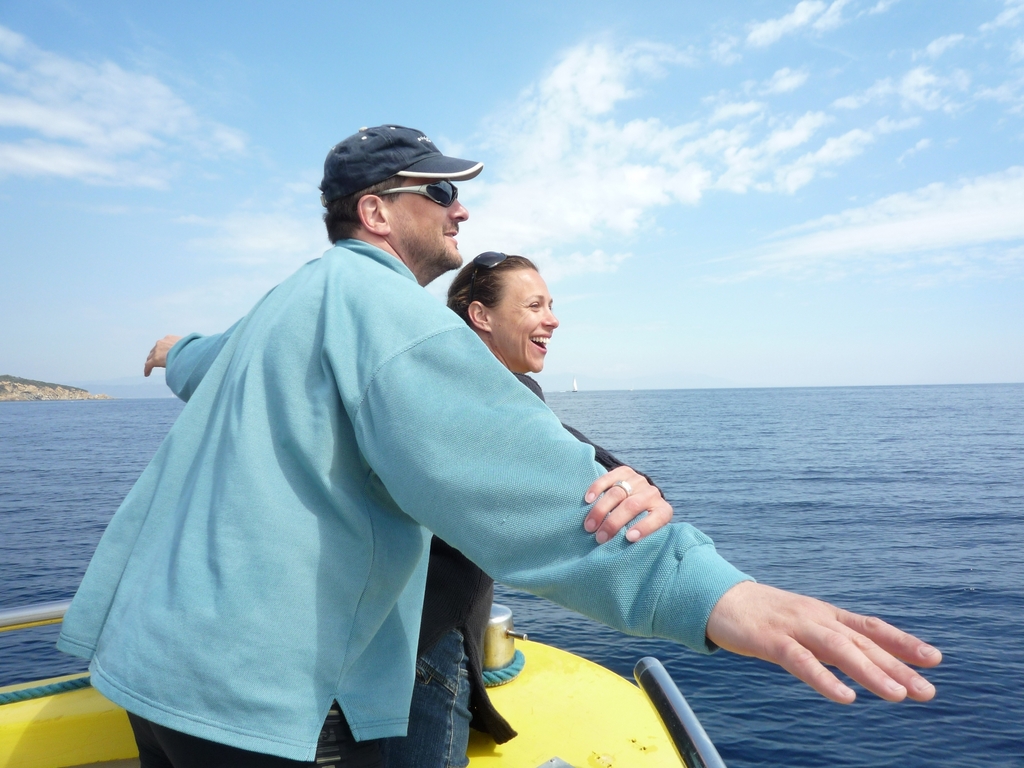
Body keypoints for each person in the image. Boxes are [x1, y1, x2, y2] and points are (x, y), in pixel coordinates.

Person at [61, 124, 940, 768]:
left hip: (148, 666)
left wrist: (175, 349)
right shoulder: (393, 318)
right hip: (258, 700)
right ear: (376, 210)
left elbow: (209, 360)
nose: (462, 208)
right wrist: (711, 593)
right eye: (439, 193)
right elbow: (516, 480)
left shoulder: (290, 300)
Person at [147, 252, 673, 767]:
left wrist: (180, 352)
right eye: (534, 305)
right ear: (481, 316)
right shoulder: (486, 395)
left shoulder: (393, 371)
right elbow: (563, 458)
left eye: (550, 305)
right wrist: (632, 482)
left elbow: (259, 352)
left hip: (356, 636)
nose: (552, 319)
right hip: (425, 648)